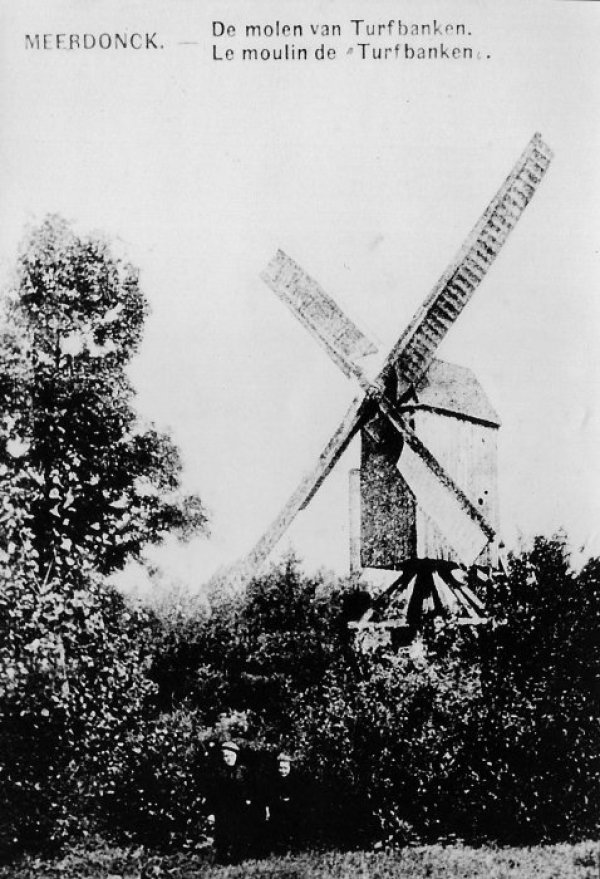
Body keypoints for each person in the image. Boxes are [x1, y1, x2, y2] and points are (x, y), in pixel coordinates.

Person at [206, 741, 253, 863]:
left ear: (236, 756)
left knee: (240, 833)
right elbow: (211, 794)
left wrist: (248, 800)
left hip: (240, 808)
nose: (228, 759)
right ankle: (222, 859)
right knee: (222, 834)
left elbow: (250, 788)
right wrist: (211, 812)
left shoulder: (243, 771)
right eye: (226, 756)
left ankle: (238, 859)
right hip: (223, 809)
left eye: (231, 756)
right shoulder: (217, 772)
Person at [266, 752, 302, 853]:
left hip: (292, 808)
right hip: (277, 808)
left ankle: (293, 850)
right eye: (280, 768)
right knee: (278, 829)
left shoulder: (296, 780)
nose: (283, 771)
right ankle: (279, 850)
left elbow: (298, 796)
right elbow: (270, 796)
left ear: (290, 767)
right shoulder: (273, 780)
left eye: (285, 768)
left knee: (292, 828)